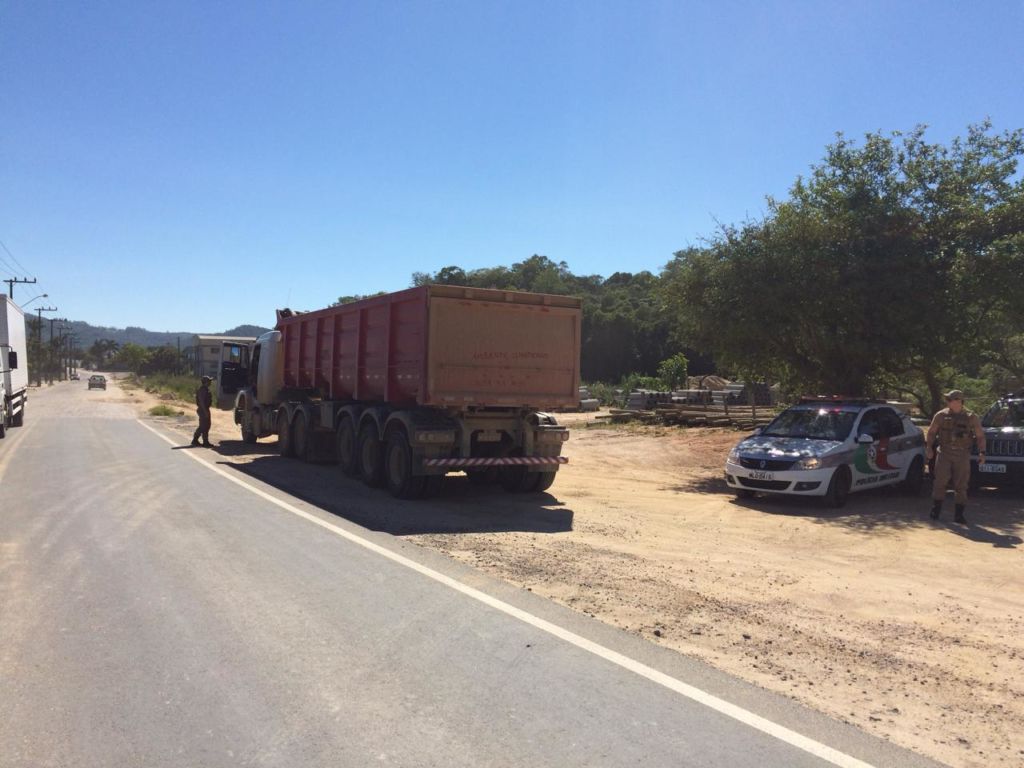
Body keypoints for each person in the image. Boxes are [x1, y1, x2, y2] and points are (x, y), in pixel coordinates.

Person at [925, 389, 985, 523]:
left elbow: (980, 436)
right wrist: (929, 447)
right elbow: (931, 432)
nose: (947, 402)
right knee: (940, 481)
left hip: (962, 453)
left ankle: (959, 514)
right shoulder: (941, 415)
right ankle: (936, 510)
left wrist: (982, 452)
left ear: (958, 401)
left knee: (961, 485)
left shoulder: (971, 417)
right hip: (944, 452)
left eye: (950, 399)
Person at [191, 375, 214, 447]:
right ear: (206, 382)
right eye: (209, 381)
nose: (210, 382)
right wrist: (205, 411)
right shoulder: (203, 390)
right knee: (203, 426)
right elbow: (201, 402)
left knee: (206, 426)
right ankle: (196, 440)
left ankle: (205, 441)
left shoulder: (205, 389)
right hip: (203, 409)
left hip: (205, 409)